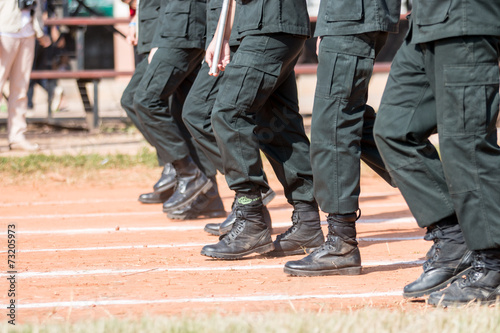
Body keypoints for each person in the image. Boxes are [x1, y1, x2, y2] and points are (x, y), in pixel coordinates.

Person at [373, 0, 500, 306]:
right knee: (394, 129)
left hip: (464, 17)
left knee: (465, 141)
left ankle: (492, 264)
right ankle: (455, 238)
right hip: (425, 22)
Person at [282, 0, 400, 276]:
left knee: (333, 122)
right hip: (348, 15)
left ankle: (341, 242)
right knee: (351, 119)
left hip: (351, 14)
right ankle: (457, 205)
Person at [200, 0, 324, 259]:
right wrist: (223, 34)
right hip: (262, 22)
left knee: (229, 114)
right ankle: (308, 222)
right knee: (278, 123)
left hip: (271, 21)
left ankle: (251, 218)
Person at [181, 0, 275, 236]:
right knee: (197, 113)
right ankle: (251, 196)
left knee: (207, 113)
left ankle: (251, 195)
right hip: (223, 29)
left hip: (237, 30)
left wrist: (224, 33)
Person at [131, 0, 226, 220]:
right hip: (181, 24)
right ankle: (209, 193)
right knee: (184, 111)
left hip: (183, 26)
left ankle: (186, 171)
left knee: (146, 100)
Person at [0, 0, 51, 151]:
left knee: (21, 88)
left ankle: (17, 136)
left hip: (28, 30)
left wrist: (39, 30)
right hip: (5, 29)